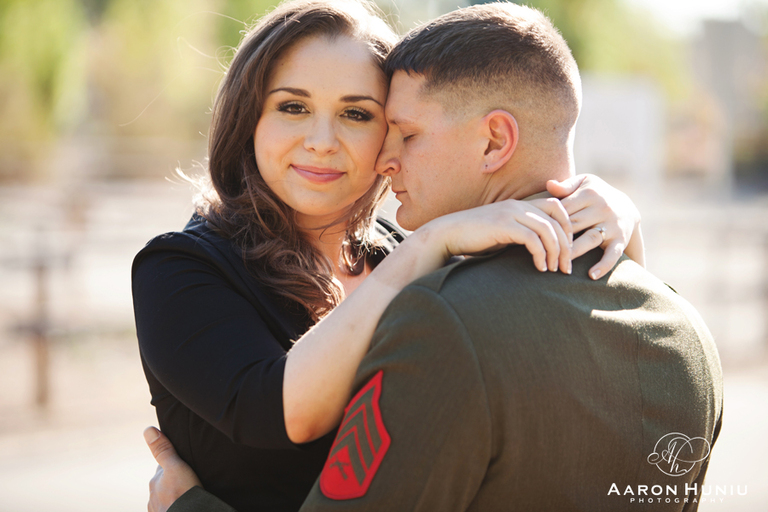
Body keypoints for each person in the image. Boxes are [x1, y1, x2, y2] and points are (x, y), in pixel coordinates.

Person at [143, 2, 723, 512]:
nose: (322, 140)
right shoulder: (182, 267)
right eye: (292, 107)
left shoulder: (410, 259)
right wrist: (430, 241)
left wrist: (621, 232)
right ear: (248, 118)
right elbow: (275, 410)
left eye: (358, 114)